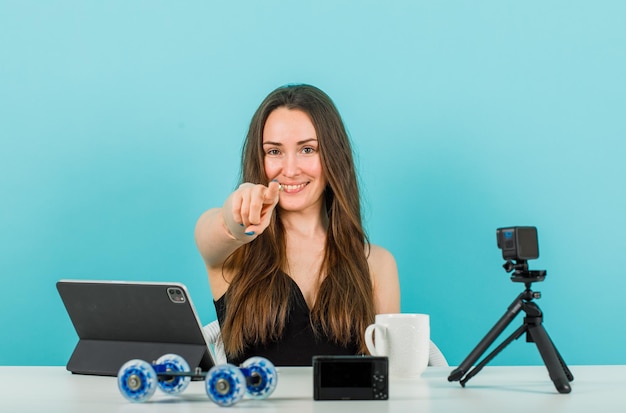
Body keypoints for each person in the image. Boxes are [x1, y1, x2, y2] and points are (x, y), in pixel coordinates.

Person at [194, 84, 400, 366]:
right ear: (260, 158)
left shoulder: (377, 263)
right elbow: (217, 228)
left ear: (333, 156)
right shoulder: (235, 253)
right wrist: (239, 215)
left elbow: (392, 378)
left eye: (307, 149)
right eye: (274, 152)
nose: (290, 170)